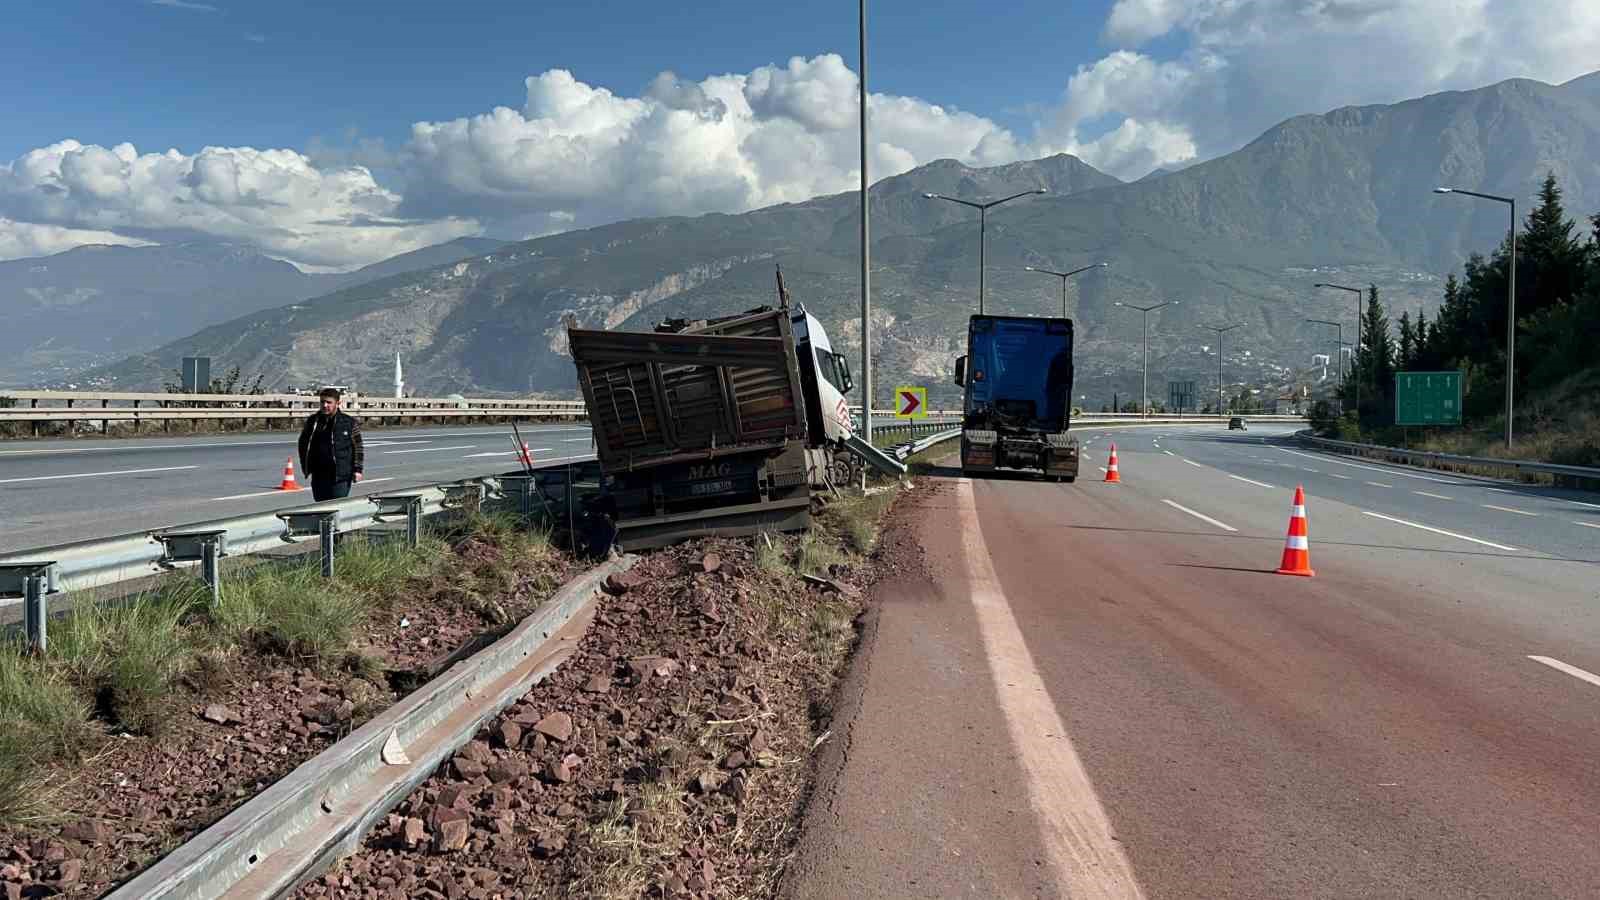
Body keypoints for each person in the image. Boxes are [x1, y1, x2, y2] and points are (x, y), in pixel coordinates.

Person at [297, 388, 365, 501]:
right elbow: (303, 444)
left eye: (329, 402)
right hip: (319, 475)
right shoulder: (313, 421)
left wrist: (358, 470)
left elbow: (358, 447)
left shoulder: (348, 423)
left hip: (340, 476)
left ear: (338, 403)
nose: (325, 405)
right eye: (322, 402)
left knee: (335, 507)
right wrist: (306, 466)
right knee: (320, 508)